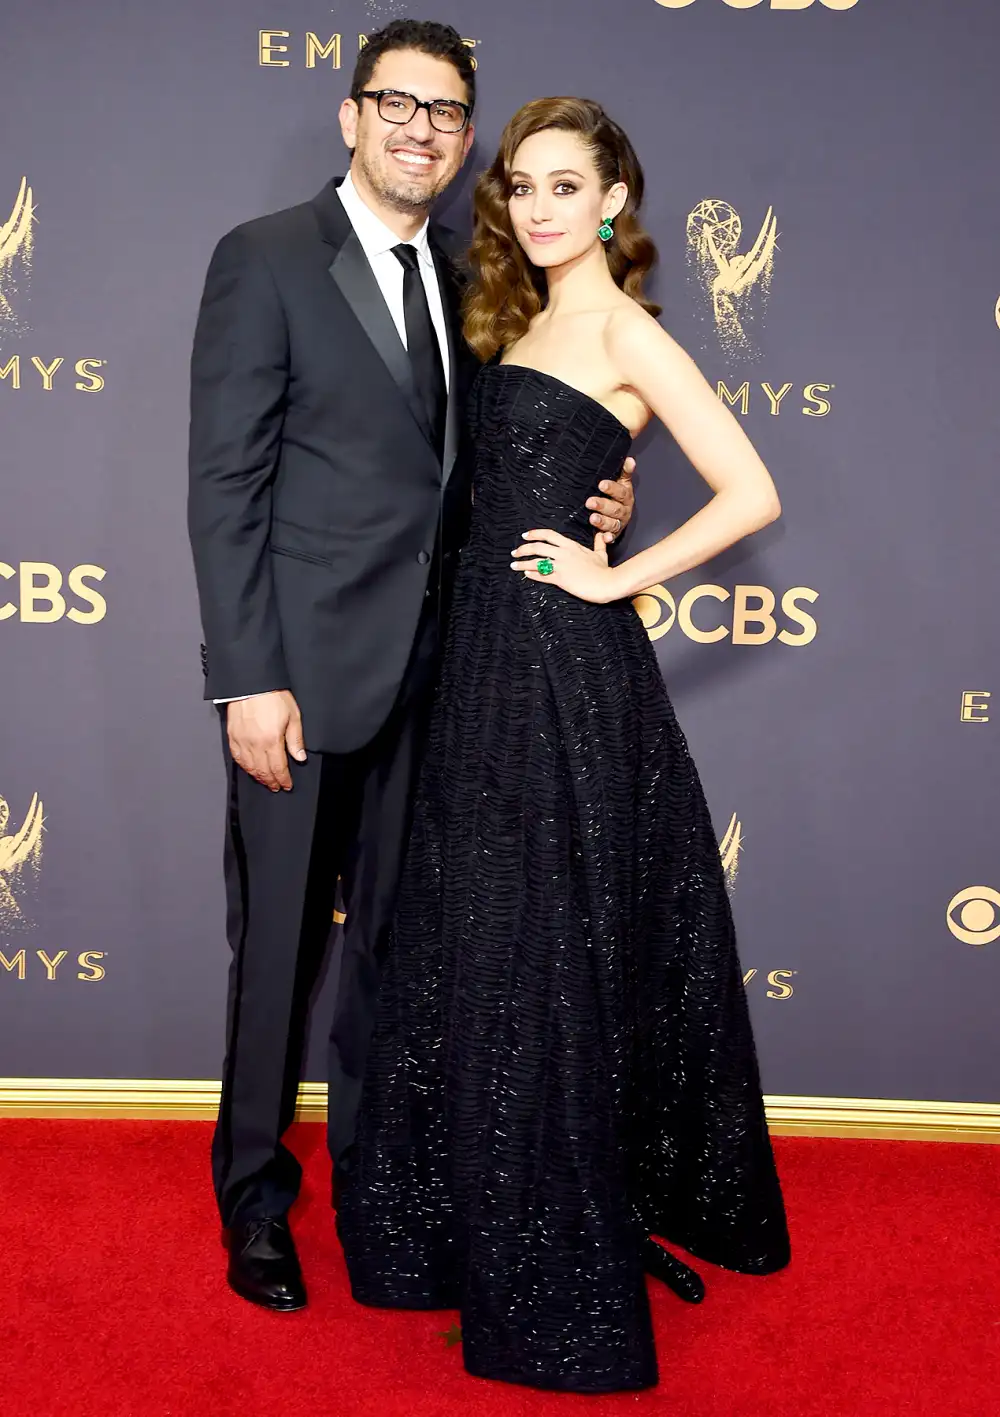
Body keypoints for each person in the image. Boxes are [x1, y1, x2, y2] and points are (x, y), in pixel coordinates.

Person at [337, 97, 792, 1393]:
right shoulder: (522, 323)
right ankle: (470, 1228)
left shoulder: (626, 327)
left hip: (554, 666)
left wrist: (617, 575)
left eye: (565, 185)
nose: (538, 206)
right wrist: (611, 479)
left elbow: (754, 489)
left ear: (613, 204)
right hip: (478, 664)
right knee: (479, 940)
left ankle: (557, 1260)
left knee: (537, 944)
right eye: (523, 185)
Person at [187, 26, 635, 1313]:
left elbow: (505, 450)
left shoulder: (471, 279)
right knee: (277, 954)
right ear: (349, 115)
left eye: (447, 111)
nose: (422, 129)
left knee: (398, 955)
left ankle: (381, 1186)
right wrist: (247, 677)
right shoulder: (265, 258)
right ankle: (256, 1203)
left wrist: (607, 484)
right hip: (302, 684)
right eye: (398, 103)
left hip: (445, 685)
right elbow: (224, 486)